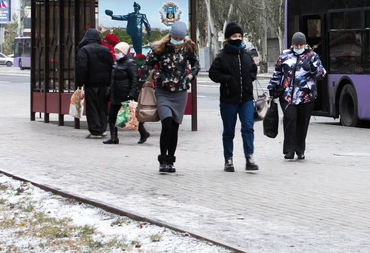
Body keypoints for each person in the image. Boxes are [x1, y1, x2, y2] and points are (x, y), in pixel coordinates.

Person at [139, 21, 199, 174]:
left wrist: (191, 75)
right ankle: (162, 159)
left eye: (180, 38)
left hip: (180, 92)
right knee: (166, 125)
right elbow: (148, 65)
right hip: (163, 91)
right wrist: (152, 77)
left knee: (174, 128)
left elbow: (196, 64)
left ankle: (171, 160)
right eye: (175, 38)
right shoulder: (160, 49)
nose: (178, 41)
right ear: (170, 35)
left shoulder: (188, 49)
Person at [208, 22, 258, 172]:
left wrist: (250, 78)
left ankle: (249, 157)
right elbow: (213, 74)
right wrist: (228, 79)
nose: (237, 38)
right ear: (228, 38)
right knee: (229, 131)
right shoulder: (222, 57)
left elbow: (253, 71)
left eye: (240, 36)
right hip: (229, 99)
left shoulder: (246, 56)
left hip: (246, 99)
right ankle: (228, 160)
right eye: (234, 36)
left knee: (248, 128)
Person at [268, 32, 326, 161]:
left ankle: (300, 150)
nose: (298, 46)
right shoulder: (285, 56)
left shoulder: (312, 56)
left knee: (302, 123)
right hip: (287, 95)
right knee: (290, 120)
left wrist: (312, 69)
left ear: (305, 44)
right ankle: (289, 150)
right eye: (296, 44)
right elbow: (277, 72)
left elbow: (321, 74)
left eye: (301, 44)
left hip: (306, 96)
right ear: (292, 44)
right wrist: (272, 87)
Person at [105, 42, 150, 145]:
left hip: (125, 94)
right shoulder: (116, 63)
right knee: (112, 116)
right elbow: (112, 78)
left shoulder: (130, 63)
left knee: (131, 117)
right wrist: (110, 90)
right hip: (115, 94)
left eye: (118, 51)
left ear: (124, 52)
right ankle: (114, 138)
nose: (116, 53)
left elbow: (134, 79)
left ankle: (143, 133)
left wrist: (132, 93)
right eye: (115, 51)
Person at [74, 28, 114, 138]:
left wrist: (79, 82)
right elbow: (111, 67)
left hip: (91, 83)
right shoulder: (105, 50)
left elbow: (81, 67)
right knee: (102, 106)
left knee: (92, 106)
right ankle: (102, 128)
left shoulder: (84, 50)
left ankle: (95, 130)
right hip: (104, 84)